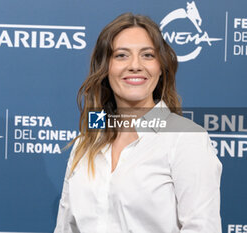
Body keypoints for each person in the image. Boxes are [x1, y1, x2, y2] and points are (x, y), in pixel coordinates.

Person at [54, 13, 222, 233]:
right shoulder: (85, 143)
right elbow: (65, 228)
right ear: (105, 68)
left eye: (148, 55)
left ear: (161, 67)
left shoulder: (186, 138)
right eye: (121, 55)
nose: (135, 65)